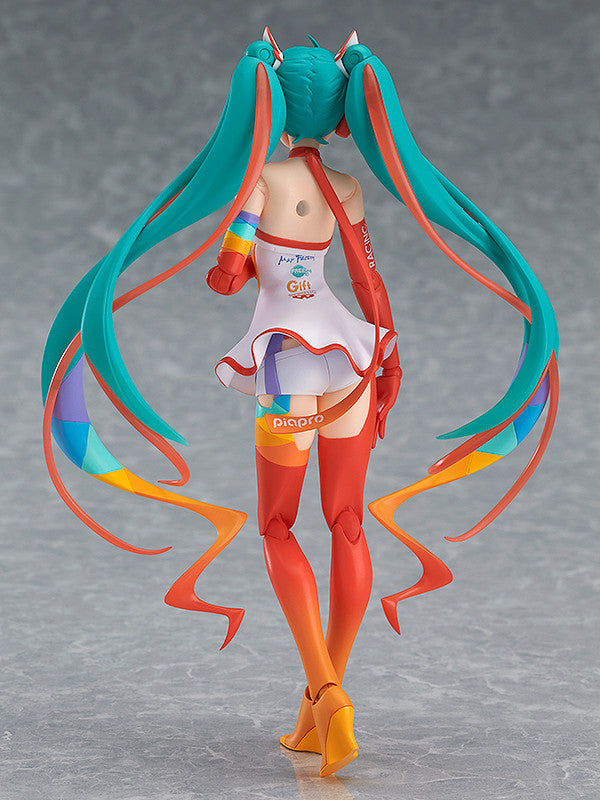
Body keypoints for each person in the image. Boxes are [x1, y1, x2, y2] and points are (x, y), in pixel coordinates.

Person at [42, 29, 559, 777]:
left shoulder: (261, 183)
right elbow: (369, 281)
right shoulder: (346, 189)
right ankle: (321, 704)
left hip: (288, 361)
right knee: (348, 523)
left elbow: (226, 277)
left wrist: (240, 256)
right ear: (343, 114)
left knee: (278, 526)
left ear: (275, 107)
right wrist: (388, 358)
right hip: (350, 354)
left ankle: (326, 693)